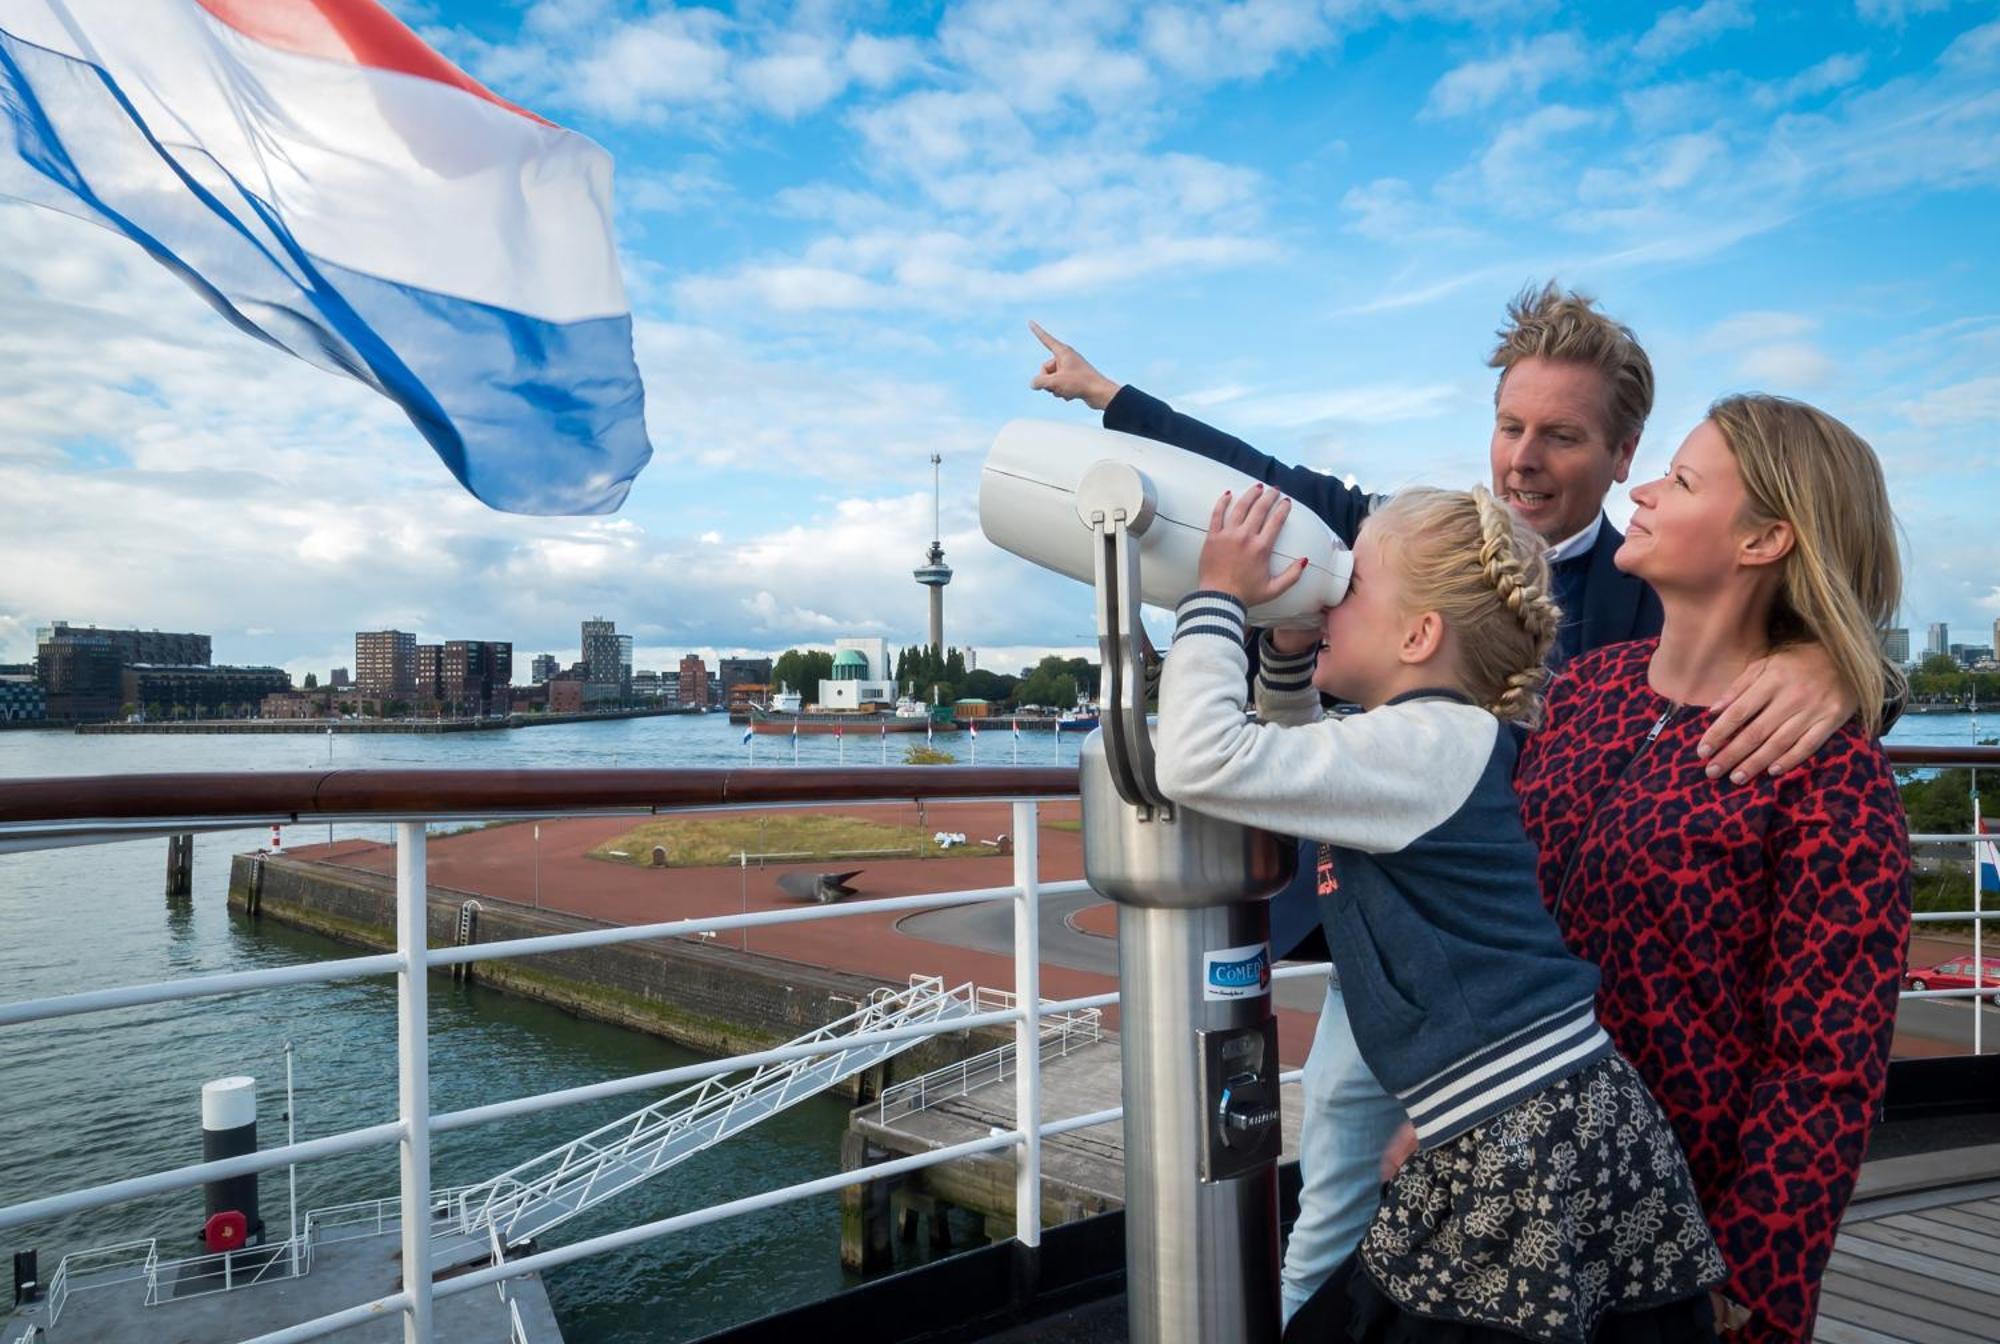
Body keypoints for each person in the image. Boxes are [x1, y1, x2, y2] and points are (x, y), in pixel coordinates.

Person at [1028, 289, 1863, 1318]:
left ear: (1619, 448)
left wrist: (1842, 669)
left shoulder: (1698, 642)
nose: (1521, 457)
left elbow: (1821, 1062)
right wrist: (1111, 398)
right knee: (1338, 1191)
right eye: (1507, 426)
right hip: (1483, 1044)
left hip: (1568, 1095)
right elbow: (1268, 490)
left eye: (1560, 436)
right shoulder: (1585, 678)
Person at [1154, 481, 1724, 1344]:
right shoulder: (1427, 739)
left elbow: (1199, 761)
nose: (1327, 597)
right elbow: (1289, 766)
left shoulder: (1423, 745)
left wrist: (1217, 600)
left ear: (1419, 637)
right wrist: (1284, 658)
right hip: (1521, 1115)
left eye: (1347, 588)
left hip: (1526, 1129)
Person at [1515, 396, 1912, 1343]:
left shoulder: (1830, 774)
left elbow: (1826, 1068)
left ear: (1765, 539)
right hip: (1516, 1194)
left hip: (1676, 1248)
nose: (1642, 489)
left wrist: (1747, 1283)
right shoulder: (1584, 691)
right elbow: (1512, 938)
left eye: (1682, 481)